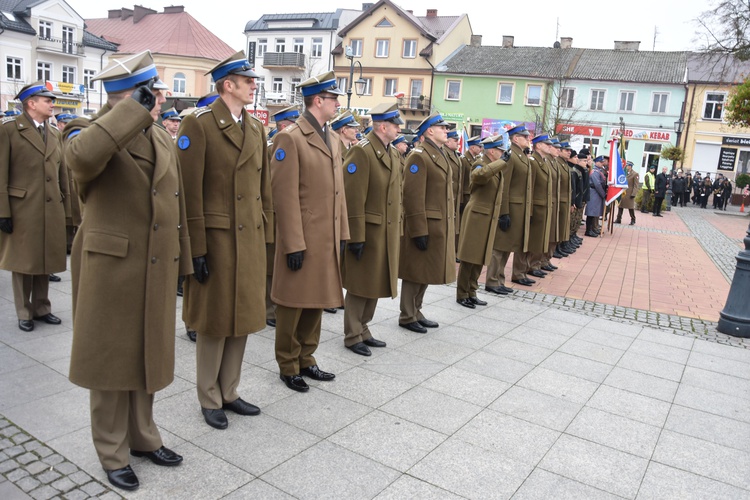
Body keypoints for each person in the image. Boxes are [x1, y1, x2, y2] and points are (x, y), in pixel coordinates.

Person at [64, 51, 190, 491]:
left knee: (147, 354)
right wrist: (130, 111)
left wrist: (185, 260)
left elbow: (176, 203)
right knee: (111, 361)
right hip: (112, 267)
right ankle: (111, 449)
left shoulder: (159, 136)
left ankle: (143, 436)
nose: (160, 100)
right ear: (130, 96)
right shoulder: (87, 130)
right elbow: (83, 160)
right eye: (151, 93)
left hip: (155, 264)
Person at [178, 51, 272, 429]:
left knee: (243, 319)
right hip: (215, 239)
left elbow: (262, 189)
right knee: (215, 321)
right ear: (226, 85)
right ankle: (209, 396)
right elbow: (188, 191)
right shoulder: (198, 124)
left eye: (253, 80)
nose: (254, 84)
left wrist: (266, 233)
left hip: (248, 236)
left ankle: (230, 390)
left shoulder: (256, 128)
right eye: (247, 80)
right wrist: (195, 248)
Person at [270, 71, 349, 392]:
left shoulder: (332, 138)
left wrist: (343, 234)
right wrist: (292, 243)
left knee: (316, 300)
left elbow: (338, 191)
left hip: (326, 238)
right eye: (334, 99)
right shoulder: (290, 137)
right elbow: (284, 195)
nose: (338, 104)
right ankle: (287, 364)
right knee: (292, 304)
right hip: (301, 237)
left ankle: (307, 357)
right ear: (318, 101)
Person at [0, 82, 69, 332]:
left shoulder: (55, 132)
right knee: (23, 262)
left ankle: (42, 307)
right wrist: (2, 211)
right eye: (47, 100)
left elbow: (62, 172)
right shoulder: (8, 129)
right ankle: (23, 311)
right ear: (31, 103)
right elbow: (1, 173)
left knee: (45, 258)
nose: (53, 104)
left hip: (50, 207)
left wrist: (66, 205)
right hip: (22, 208)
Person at [341, 103, 402, 355]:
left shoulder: (393, 153)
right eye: (396, 124)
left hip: (386, 230)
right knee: (360, 283)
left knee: (376, 282)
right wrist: (355, 236)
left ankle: (364, 328)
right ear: (383, 126)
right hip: (367, 230)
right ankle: (352, 334)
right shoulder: (362, 152)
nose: (400, 128)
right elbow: (352, 196)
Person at [398, 112, 454, 332]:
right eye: (442, 128)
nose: (446, 131)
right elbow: (412, 196)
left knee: (426, 271)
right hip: (424, 225)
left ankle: (416, 310)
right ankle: (407, 315)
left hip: (437, 224)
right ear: (429, 131)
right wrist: (418, 229)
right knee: (415, 272)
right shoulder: (419, 156)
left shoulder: (437, 153)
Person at [456, 135, 506, 305]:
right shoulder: (480, 163)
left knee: (480, 256)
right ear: (492, 151)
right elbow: (479, 176)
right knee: (470, 256)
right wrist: (500, 163)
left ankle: (472, 291)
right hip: (477, 216)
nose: (502, 154)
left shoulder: (494, 166)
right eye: (500, 150)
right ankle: (462, 294)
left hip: (488, 217)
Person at [485, 125, 534, 288]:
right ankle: (492, 281)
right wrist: (503, 212)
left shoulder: (521, 156)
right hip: (510, 209)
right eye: (525, 137)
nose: (528, 139)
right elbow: (504, 186)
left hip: (518, 209)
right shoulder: (511, 156)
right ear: (515, 138)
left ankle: (499, 280)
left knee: (507, 246)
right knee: (500, 246)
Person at [264, 106, 299, 329]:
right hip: (272, 213)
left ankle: (276, 305)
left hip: (284, 213)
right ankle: (268, 309)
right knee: (270, 264)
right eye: (293, 123)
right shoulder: (272, 147)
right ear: (284, 125)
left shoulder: (289, 143)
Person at [526, 134, 554, 279]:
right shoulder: (533, 162)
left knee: (541, 238)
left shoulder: (545, 161)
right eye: (546, 144)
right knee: (535, 238)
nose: (550, 146)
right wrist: (530, 211)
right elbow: (530, 188)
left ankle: (535, 264)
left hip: (544, 206)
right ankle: (530, 265)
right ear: (538, 146)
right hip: (536, 207)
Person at [584, 156, 606, 236]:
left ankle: (592, 229)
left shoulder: (599, 171)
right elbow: (597, 184)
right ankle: (588, 231)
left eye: (602, 162)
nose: (602, 163)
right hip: (594, 192)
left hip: (597, 193)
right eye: (600, 162)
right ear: (596, 162)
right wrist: (603, 194)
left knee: (594, 212)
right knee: (591, 212)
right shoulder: (594, 172)